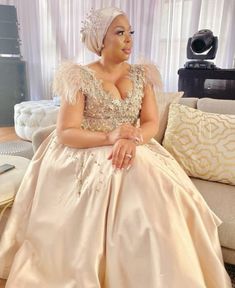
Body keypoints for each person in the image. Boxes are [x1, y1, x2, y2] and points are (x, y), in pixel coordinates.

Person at [0, 7, 232, 288]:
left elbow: (149, 122)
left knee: (163, 190)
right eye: (119, 33)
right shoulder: (79, 77)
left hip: (136, 145)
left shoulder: (142, 75)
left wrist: (130, 139)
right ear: (100, 40)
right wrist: (111, 137)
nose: (128, 40)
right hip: (86, 150)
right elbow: (65, 132)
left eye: (130, 33)